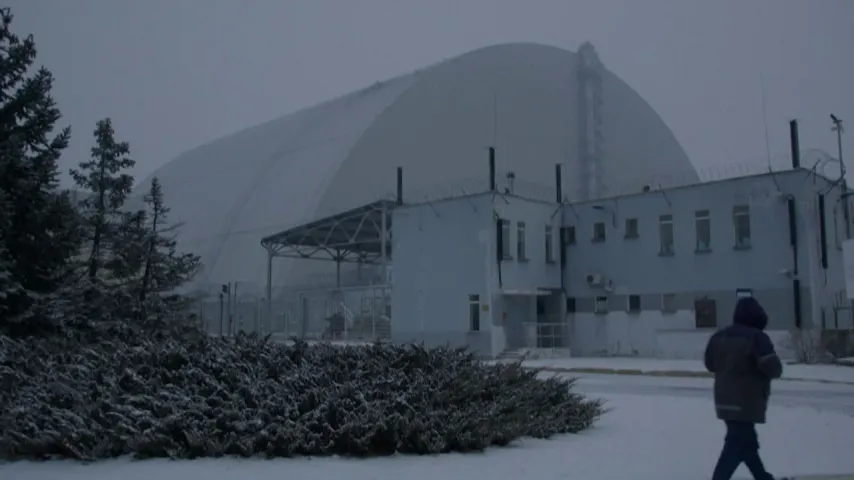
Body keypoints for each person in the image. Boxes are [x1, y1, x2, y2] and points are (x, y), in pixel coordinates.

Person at [704, 296, 788, 480]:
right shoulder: (757, 338)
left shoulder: (719, 336)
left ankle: (763, 477)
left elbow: (710, 364)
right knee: (736, 444)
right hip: (747, 402)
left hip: (723, 401)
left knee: (746, 443)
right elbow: (773, 368)